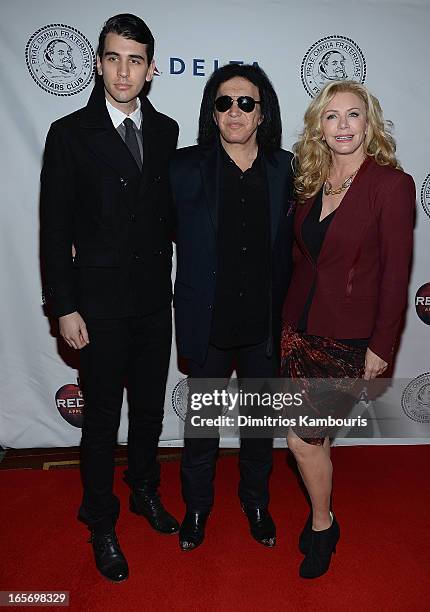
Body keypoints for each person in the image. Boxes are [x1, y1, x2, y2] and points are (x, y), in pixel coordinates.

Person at [40, 14, 179, 582]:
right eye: (115, 58)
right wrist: (63, 305)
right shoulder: (69, 133)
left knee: (147, 410)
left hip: (153, 300)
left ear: (150, 69)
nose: (124, 71)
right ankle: (101, 520)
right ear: (98, 63)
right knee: (101, 420)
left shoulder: (167, 131)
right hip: (96, 305)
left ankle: (144, 490)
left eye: (136, 60)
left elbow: (173, 214)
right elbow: (54, 229)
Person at [281, 80, 415, 578]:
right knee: (318, 437)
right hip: (298, 327)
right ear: (320, 124)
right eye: (332, 116)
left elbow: (397, 272)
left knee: (301, 439)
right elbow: (304, 256)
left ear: (369, 123)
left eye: (353, 115)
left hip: (349, 334)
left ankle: (322, 524)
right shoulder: (310, 179)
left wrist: (383, 342)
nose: (342, 125)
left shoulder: (391, 185)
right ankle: (323, 507)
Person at [170, 64, 294, 551]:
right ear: (213, 112)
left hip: (265, 323)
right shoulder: (184, 167)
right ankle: (196, 508)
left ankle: (256, 502)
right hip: (208, 321)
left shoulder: (287, 169)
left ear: (262, 112)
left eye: (246, 102)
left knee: (259, 430)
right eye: (224, 102)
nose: (235, 112)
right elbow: (148, 229)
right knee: (201, 430)